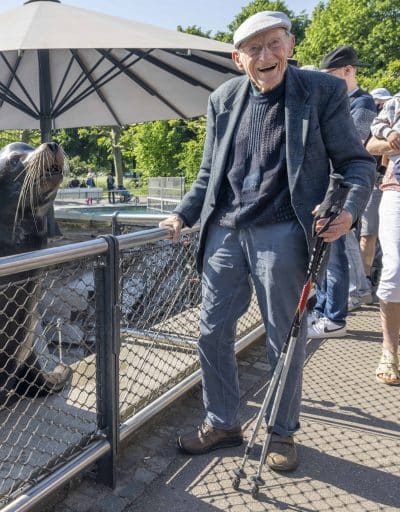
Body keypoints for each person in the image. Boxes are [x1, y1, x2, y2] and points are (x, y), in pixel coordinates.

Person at [158, 11, 374, 472]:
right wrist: (182, 213)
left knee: (285, 335)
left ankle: (281, 432)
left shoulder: (322, 91)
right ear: (238, 60)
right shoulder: (222, 99)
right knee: (211, 331)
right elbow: (207, 176)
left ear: (290, 45)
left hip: (284, 229)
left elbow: (357, 165)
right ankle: (222, 423)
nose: (265, 55)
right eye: (253, 49)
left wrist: (350, 211)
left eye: (273, 43)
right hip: (225, 230)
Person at [309, 45, 377, 337]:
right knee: (322, 255)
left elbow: (352, 144)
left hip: (342, 190)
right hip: (327, 186)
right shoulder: (340, 101)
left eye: (332, 76)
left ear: (349, 71)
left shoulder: (362, 103)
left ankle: (334, 319)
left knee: (334, 253)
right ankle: (323, 307)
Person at [367, 109, 400, 384]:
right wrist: (393, 139)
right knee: (395, 268)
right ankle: (389, 351)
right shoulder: (396, 102)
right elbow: (370, 144)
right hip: (396, 191)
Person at [361, 88, 393, 294]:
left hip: (379, 182)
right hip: (380, 183)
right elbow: (369, 145)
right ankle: (365, 282)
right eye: (378, 104)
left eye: (381, 104)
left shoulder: (361, 104)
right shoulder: (392, 109)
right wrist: (392, 140)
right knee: (369, 234)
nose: (379, 107)